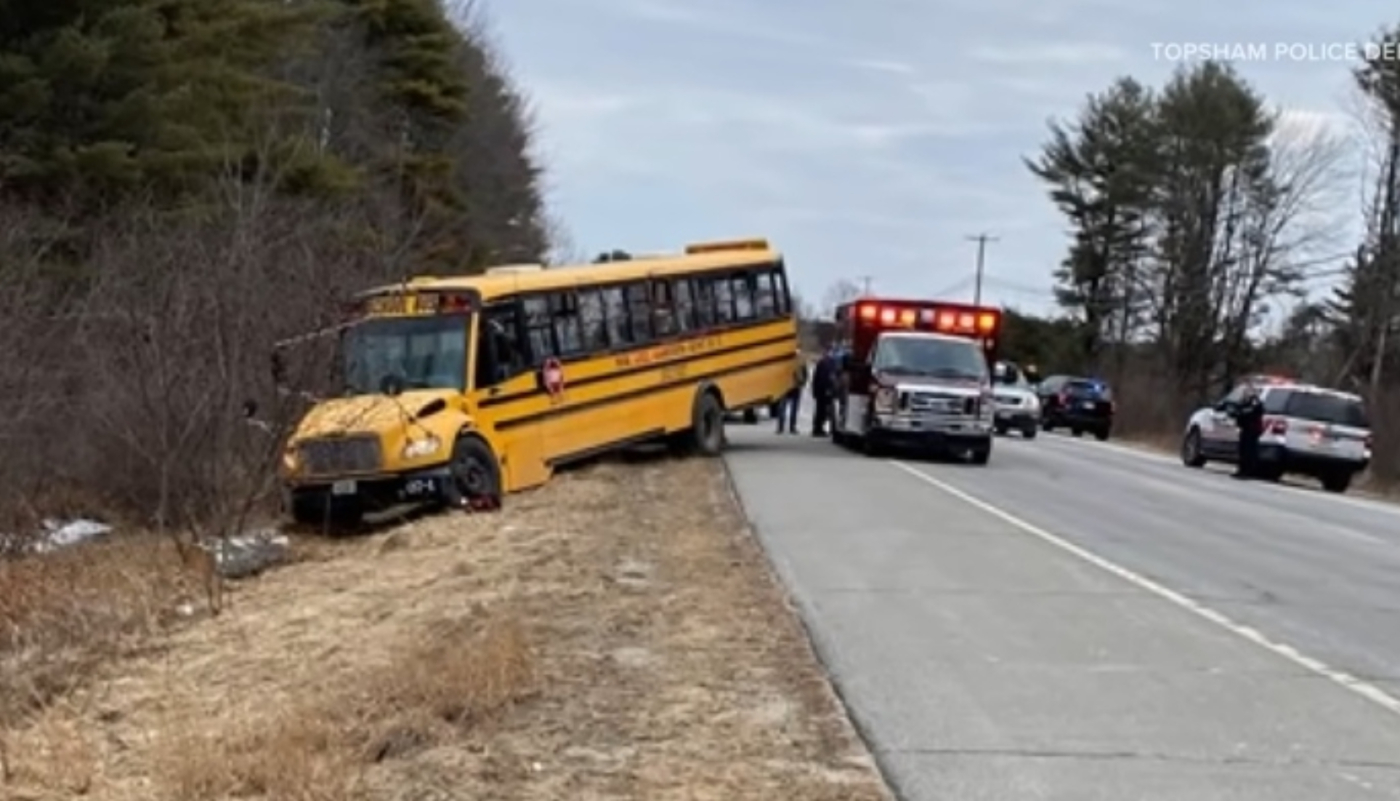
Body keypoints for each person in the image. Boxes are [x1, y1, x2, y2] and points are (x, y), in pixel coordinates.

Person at [1230, 382, 1265, 479]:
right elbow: (1238, 410)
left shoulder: (1255, 402)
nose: (1246, 392)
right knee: (1242, 450)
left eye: (1248, 390)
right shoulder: (1245, 401)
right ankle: (1241, 469)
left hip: (1252, 429)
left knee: (1249, 451)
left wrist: (1242, 413)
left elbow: (1254, 412)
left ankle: (1248, 471)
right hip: (1245, 428)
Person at [776, 350, 808, 434]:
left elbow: (778, 373)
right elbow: (805, 373)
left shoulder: (784, 361)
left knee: (782, 407)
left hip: (785, 386)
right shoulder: (800, 361)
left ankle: (780, 427)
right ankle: (792, 427)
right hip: (795, 386)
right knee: (794, 408)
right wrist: (803, 382)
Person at [810, 345, 838, 436]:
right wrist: (829, 389)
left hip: (820, 390)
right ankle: (818, 428)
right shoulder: (829, 363)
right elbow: (827, 378)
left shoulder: (822, 362)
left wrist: (814, 390)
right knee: (822, 411)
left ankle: (817, 427)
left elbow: (816, 378)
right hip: (824, 390)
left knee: (820, 410)